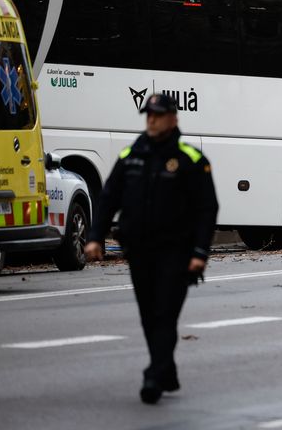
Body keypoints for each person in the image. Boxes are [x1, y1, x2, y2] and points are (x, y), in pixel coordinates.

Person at [84, 93, 219, 405]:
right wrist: (94, 236)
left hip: (177, 252)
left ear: (174, 118)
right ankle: (166, 368)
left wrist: (200, 253)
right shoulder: (132, 154)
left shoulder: (190, 159)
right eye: (148, 115)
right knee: (149, 316)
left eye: (158, 115)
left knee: (164, 313)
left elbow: (206, 210)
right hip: (139, 250)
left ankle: (154, 376)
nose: (152, 120)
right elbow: (108, 198)